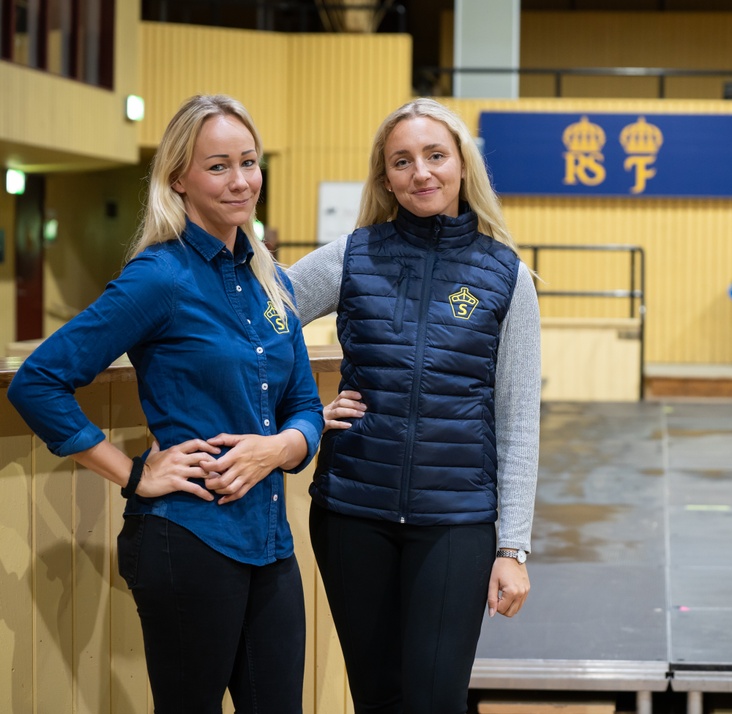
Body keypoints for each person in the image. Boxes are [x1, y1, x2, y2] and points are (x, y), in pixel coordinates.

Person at [7, 94, 324, 713]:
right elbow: (38, 380)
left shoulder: (271, 280)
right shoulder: (159, 277)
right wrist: (133, 475)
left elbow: (306, 405)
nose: (241, 181)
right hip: (188, 540)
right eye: (218, 166)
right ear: (178, 178)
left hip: (271, 540)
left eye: (249, 162)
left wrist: (281, 448)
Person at [287, 97, 541, 714]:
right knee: (378, 698)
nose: (420, 172)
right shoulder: (353, 255)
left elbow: (518, 419)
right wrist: (306, 417)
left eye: (435, 155)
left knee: (435, 700)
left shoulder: (507, 275)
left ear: (462, 165)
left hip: (455, 522)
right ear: (385, 177)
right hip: (352, 513)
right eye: (401, 161)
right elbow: (258, 323)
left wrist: (512, 549)